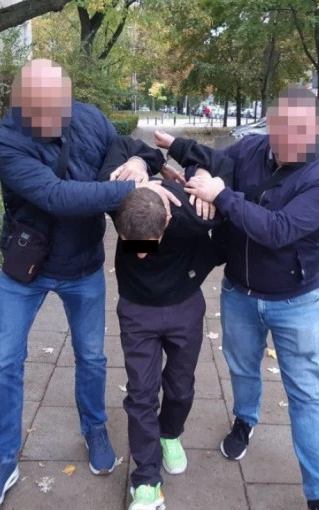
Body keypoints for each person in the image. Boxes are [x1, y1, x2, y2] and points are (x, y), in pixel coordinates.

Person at [0, 59, 179, 509]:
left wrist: (137, 164)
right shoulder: (4, 142)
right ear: (21, 105)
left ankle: (95, 428)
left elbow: (135, 153)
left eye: (60, 107)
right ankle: (2, 458)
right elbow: (56, 196)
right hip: (26, 269)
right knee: (4, 362)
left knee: (91, 357)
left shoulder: (88, 117)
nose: (56, 118)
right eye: (42, 110)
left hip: (83, 264)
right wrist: (130, 189)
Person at [153, 86, 319, 510]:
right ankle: (245, 420)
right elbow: (214, 161)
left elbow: (278, 229)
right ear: (271, 126)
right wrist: (184, 156)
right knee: (242, 369)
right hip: (239, 292)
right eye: (283, 129)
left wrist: (221, 196)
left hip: (295, 302)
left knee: (306, 395)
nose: (290, 141)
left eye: (302, 132)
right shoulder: (252, 149)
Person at [98, 136, 231, 510]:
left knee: (180, 386)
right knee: (141, 392)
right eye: (131, 244)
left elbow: (229, 168)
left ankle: (170, 434)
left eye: (149, 244)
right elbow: (122, 143)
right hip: (136, 310)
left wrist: (207, 179)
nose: (140, 254)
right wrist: (141, 164)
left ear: (168, 221)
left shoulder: (192, 215)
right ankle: (146, 480)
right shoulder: (116, 197)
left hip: (184, 306)